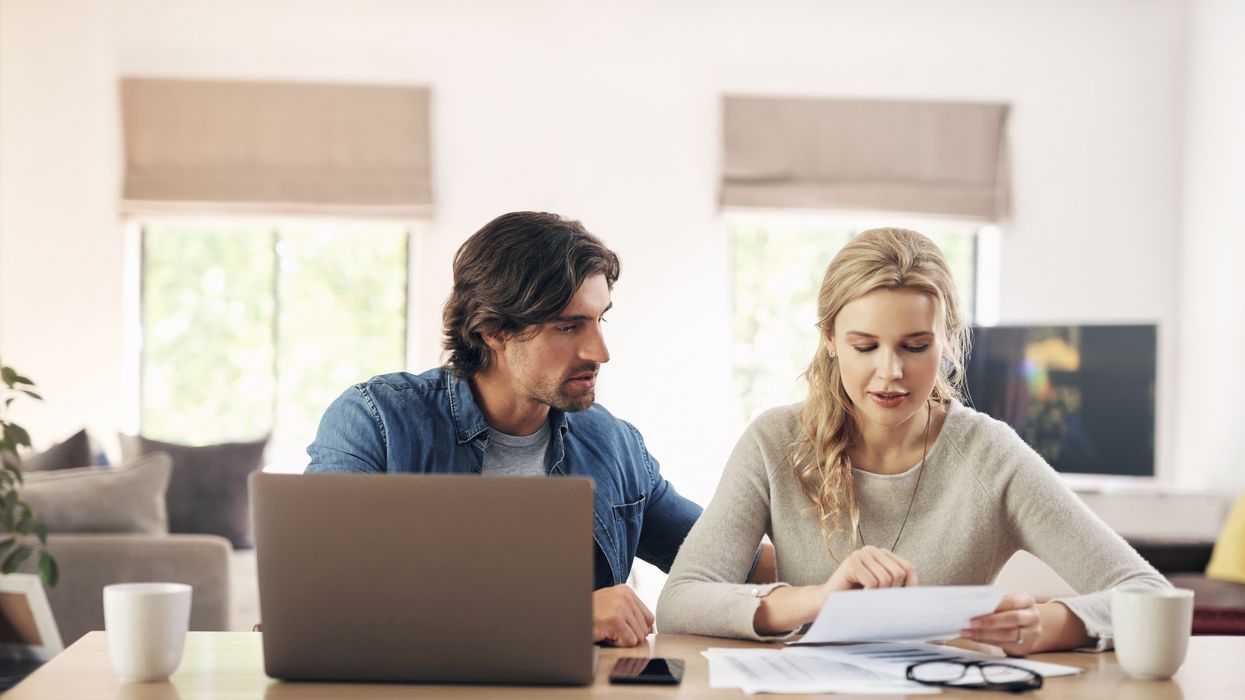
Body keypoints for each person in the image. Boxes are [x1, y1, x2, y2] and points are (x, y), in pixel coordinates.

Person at [656, 227, 1167, 654]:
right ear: (830, 339)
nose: (890, 372)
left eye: (915, 346)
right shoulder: (774, 442)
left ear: (947, 340)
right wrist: (820, 599)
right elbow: (680, 601)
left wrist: (1049, 624)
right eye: (865, 346)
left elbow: (1148, 593)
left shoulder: (991, 455)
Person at [307, 211, 772, 647]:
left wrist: (817, 577)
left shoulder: (615, 446)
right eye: (568, 327)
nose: (600, 352)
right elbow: (324, 597)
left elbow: (730, 563)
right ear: (493, 330)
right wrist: (563, 616)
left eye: (600, 320)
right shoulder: (377, 421)